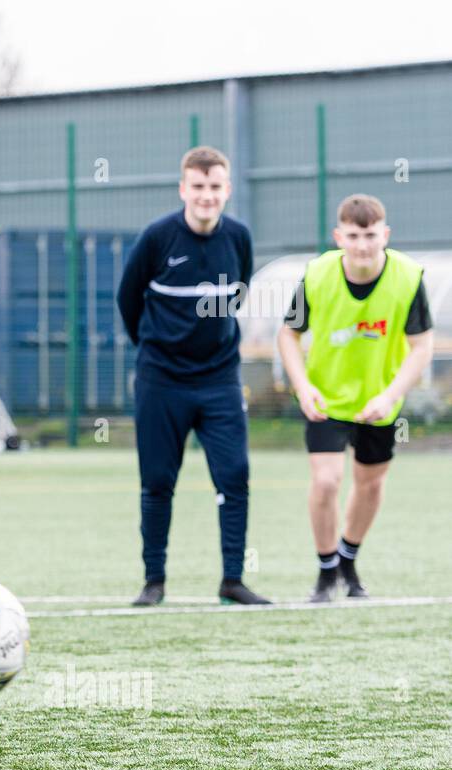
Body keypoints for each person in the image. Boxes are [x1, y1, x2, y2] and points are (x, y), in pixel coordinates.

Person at [116, 146, 270, 607]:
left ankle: (233, 581)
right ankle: (154, 581)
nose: (207, 196)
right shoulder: (156, 238)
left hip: (219, 378)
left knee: (235, 474)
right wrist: (153, 349)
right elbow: (128, 300)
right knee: (159, 479)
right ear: (184, 189)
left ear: (227, 190)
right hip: (161, 379)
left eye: (215, 187)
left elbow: (238, 291)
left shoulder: (239, 237)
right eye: (198, 187)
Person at [277, 194, 434, 602]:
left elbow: (421, 346)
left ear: (385, 234)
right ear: (338, 237)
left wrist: (390, 395)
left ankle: (348, 558)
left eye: (370, 234)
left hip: (378, 403)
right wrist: (302, 386)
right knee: (327, 481)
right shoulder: (315, 275)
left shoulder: (408, 277)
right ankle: (327, 570)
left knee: (369, 485)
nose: (362, 244)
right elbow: (288, 335)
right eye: (353, 235)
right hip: (326, 398)